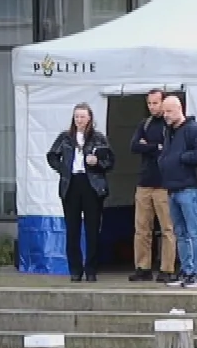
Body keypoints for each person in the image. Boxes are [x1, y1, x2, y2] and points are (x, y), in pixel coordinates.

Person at [47, 103, 114, 282]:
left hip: (92, 184)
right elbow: (52, 156)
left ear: (89, 118)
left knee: (92, 229)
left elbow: (110, 162)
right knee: (72, 229)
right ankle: (75, 270)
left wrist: (97, 163)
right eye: (76, 116)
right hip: (71, 184)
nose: (79, 120)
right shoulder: (65, 137)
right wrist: (63, 169)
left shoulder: (98, 138)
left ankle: (91, 269)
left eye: (82, 116)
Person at [157, 95, 197, 289]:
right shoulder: (169, 132)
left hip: (190, 188)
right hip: (172, 188)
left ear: (179, 109)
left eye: (169, 111)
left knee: (194, 232)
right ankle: (187, 270)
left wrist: (182, 158)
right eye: (164, 112)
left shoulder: (194, 129)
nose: (166, 115)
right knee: (180, 233)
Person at [130, 89, 178, 284]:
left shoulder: (170, 125)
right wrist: (154, 147)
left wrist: (148, 146)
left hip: (164, 184)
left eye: (155, 103)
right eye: (149, 103)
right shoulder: (145, 123)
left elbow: (168, 149)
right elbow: (134, 146)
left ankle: (167, 268)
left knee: (167, 228)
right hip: (144, 182)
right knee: (142, 228)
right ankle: (143, 267)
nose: (152, 107)